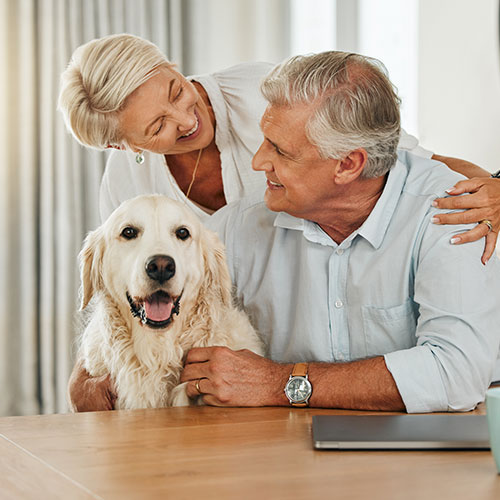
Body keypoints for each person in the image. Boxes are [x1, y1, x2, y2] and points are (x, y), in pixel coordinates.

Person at [59, 34, 499, 410]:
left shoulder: (450, 212)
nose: (257, 161)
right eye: (157, 125)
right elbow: (124, 292)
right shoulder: (228, 228)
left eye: (175, 92)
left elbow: (403, 159)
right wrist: (87, 372)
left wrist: (496, 187)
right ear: (123, 145)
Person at [177, 51, 500, 412]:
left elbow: (455, 373)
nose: (257, 162)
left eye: (281, 151)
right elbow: (159, 328)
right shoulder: (237, 228)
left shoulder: (453, 213)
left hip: (438, 451)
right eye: (265, 140)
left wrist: (278, 384)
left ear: (348, 165)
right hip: (286, 446)